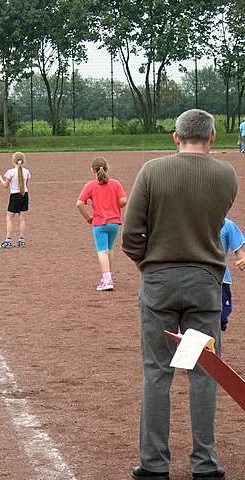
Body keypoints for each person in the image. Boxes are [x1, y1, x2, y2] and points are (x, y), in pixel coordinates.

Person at [122, 109, 237, 480]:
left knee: (158, 373)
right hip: (204, 286)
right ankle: (205, 463)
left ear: (176, 137)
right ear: (212, 137)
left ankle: (154, 464)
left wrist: (151, 266)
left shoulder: (152, 171)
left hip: (159, 285)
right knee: (204, 373)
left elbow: (131, 235)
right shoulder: (226, 174)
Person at [76, 157, 127, 291]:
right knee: (109, 250)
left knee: (102, 251)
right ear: (107, 168)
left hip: (99, 223)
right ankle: (107, 276)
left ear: (92, 170)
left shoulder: (91, 185)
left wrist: (88, 218)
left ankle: (107, 279)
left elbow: (79, 203)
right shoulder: (116, 184)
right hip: (114, 223)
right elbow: (123, 202)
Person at [0, 152, 31, 249]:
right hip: (25, 195)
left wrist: (0, 179)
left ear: (13, 161)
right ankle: (21, 240)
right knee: (22, 219)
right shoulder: (27, 172)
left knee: (9, 218)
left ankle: (8, 240)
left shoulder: (10, 172)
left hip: (14, 196)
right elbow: (25, 184)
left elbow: (5, 186)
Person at [219, 218, 245, 332]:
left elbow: (240, 253)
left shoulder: (227, 224)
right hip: (196, 278)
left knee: (220, 318)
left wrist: (243, 259)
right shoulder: (190, 222)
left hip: (221, 280)